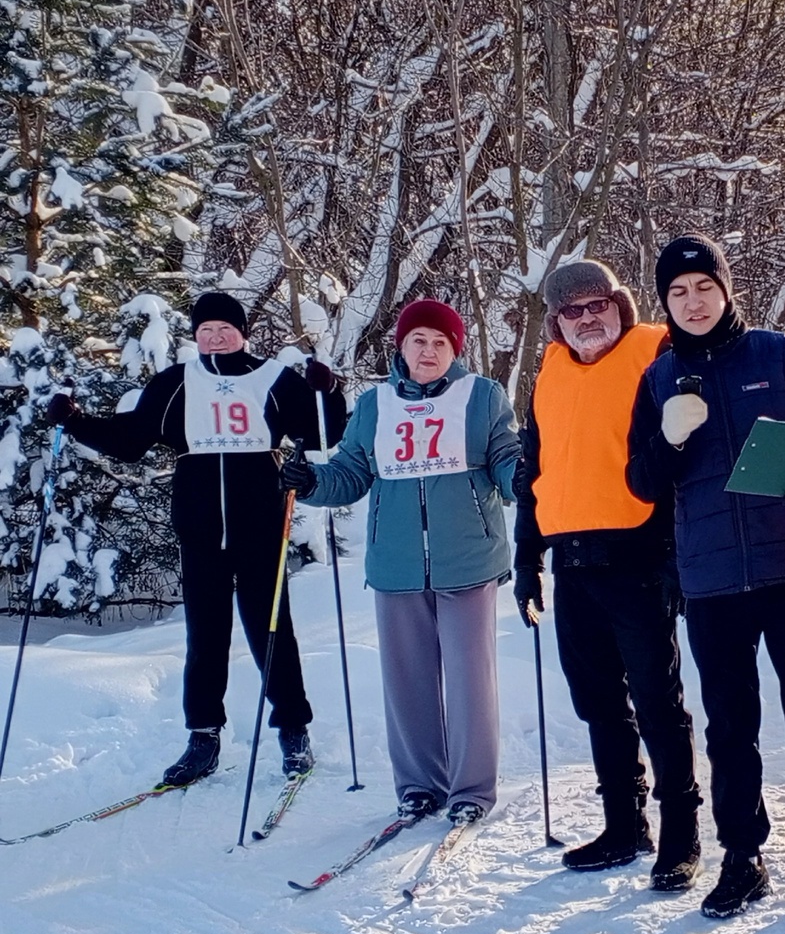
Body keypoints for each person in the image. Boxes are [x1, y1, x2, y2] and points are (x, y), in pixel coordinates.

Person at [626, 234, 785, 920]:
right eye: (677, 292)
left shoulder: (777, 354)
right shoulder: (657, 377)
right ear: (664, 303)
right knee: (730, 727)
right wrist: (668, 438)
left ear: (726, 290)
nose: (693, 302)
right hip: (711, 583)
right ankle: (742, 858)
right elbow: (640, 484)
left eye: (704, 287)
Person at [45, 292, 346, 785]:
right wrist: (75, 422)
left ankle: (294, 731)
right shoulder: (177, 383)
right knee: (204, 637)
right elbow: (130, 439)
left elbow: (321, 431)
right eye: (206, 330)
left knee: (272, 632)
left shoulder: (271, 378)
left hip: (260, 529)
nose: (216, 337)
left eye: (225, 329)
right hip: (201, 531)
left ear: (242, 333)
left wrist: (328, 389)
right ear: (195, 335)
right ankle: (203, 736)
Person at [281, 299, 519, 825]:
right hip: (396, 566)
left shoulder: (480, 396)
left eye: (440, 342)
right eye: (419, 340)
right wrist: (313, 482)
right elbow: (351, 472)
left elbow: (504, 455)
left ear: (455, 348)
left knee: (469, 679)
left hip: (468, 561)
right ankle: (419, 786)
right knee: (406, 681)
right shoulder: (375, 404)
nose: (429, 350)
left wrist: (518, 476)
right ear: (402, 347)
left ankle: (471, 790)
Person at [513, 259, 702, 891]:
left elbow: (686, 459)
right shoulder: (549, 377)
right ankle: (625, 823)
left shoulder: (658, 354)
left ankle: (681, 833)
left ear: (621, 306)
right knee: (598, 702)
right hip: (572, 562)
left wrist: (677, 557)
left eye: (600, 305)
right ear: (557, 324)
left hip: (639, 558)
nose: (589, 318)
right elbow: (532, 473)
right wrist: (526, 558)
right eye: (574, 311)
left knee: (656, 700)